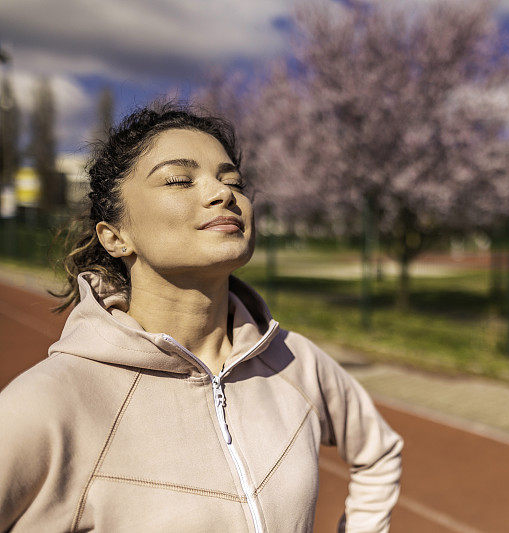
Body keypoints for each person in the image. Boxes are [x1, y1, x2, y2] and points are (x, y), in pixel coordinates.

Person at [0, 102, 404, 532]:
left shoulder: (293, 361)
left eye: (232, 180)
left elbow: (378, 452)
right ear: (116, 237)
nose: (222, 193)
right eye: (179, 180)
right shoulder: (52, 401)